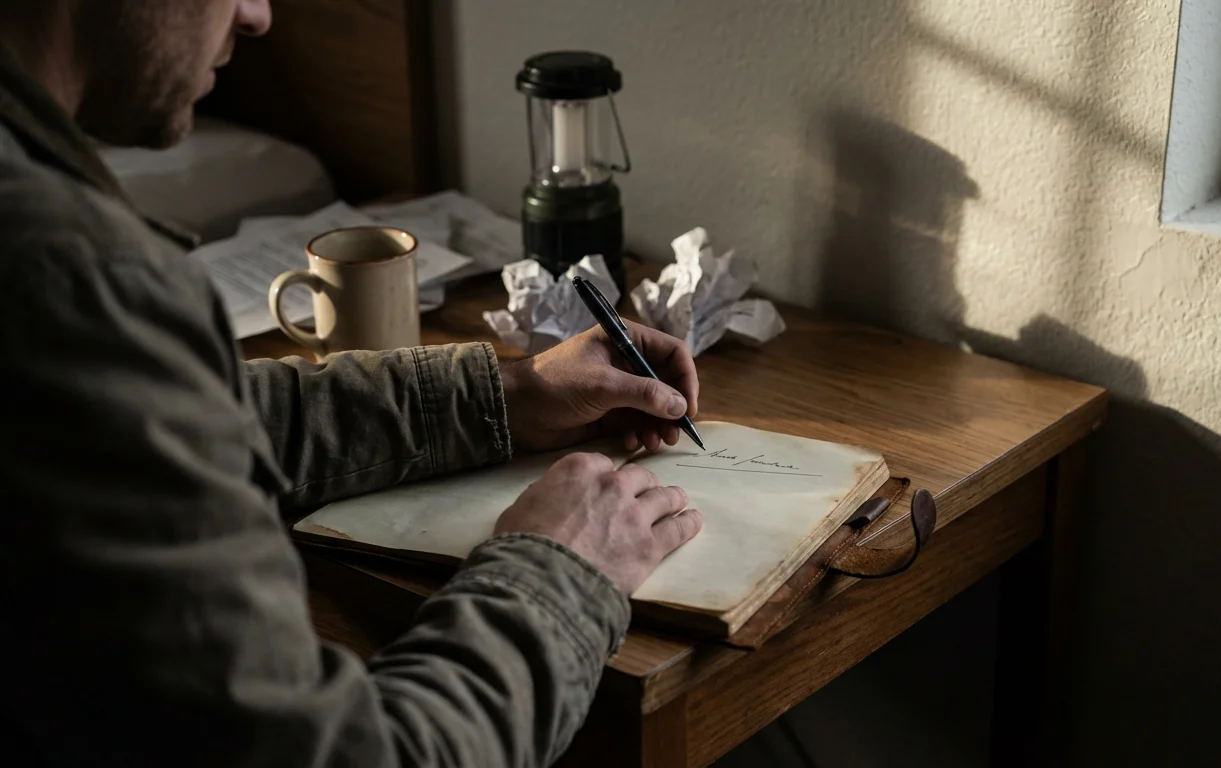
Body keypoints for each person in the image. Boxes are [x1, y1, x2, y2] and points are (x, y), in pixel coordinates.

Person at [0, 1, 704, 766]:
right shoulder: (65, 274)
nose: (258, 16)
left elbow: (173, 414)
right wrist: (564, 571)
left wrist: (503, 395)